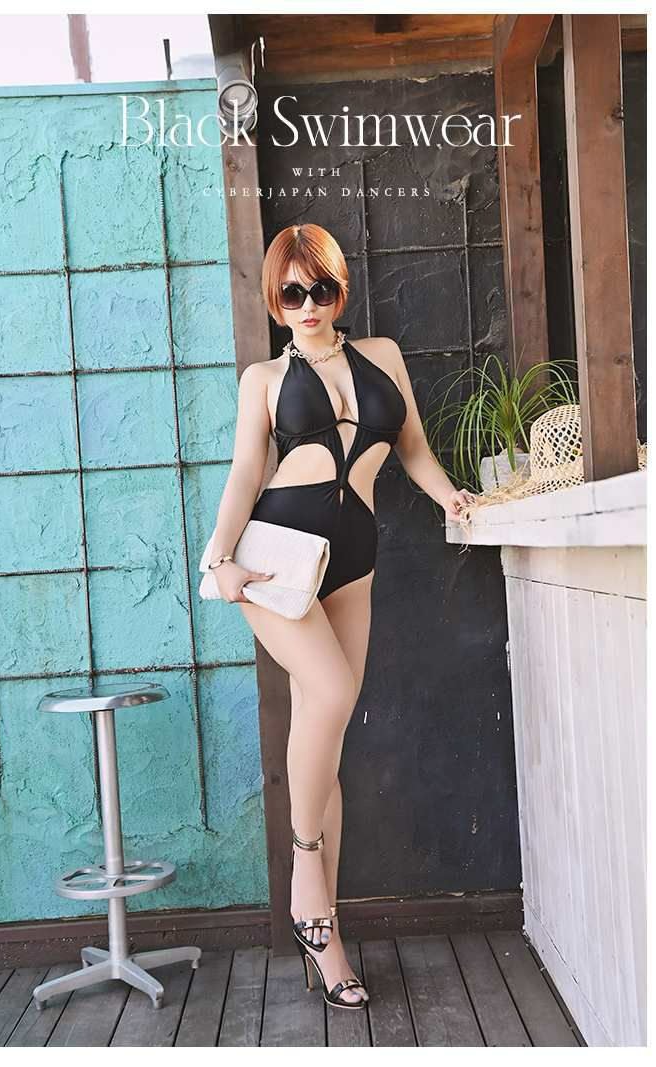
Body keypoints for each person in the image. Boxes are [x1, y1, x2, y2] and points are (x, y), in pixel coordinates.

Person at [205, 223, 475, 1009]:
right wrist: (219, 560)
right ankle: (306, 872)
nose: (308, 304)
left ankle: (328, 946)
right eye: (292, 292)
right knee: (328, 695)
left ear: (339, 289)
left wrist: (449, 495)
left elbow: (413, 447)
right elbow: (246, 472)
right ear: (275, 299)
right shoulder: (263, 378)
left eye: (320, 288)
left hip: (354, 559)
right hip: (273, 562)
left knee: (325, 733)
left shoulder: (383, 356)